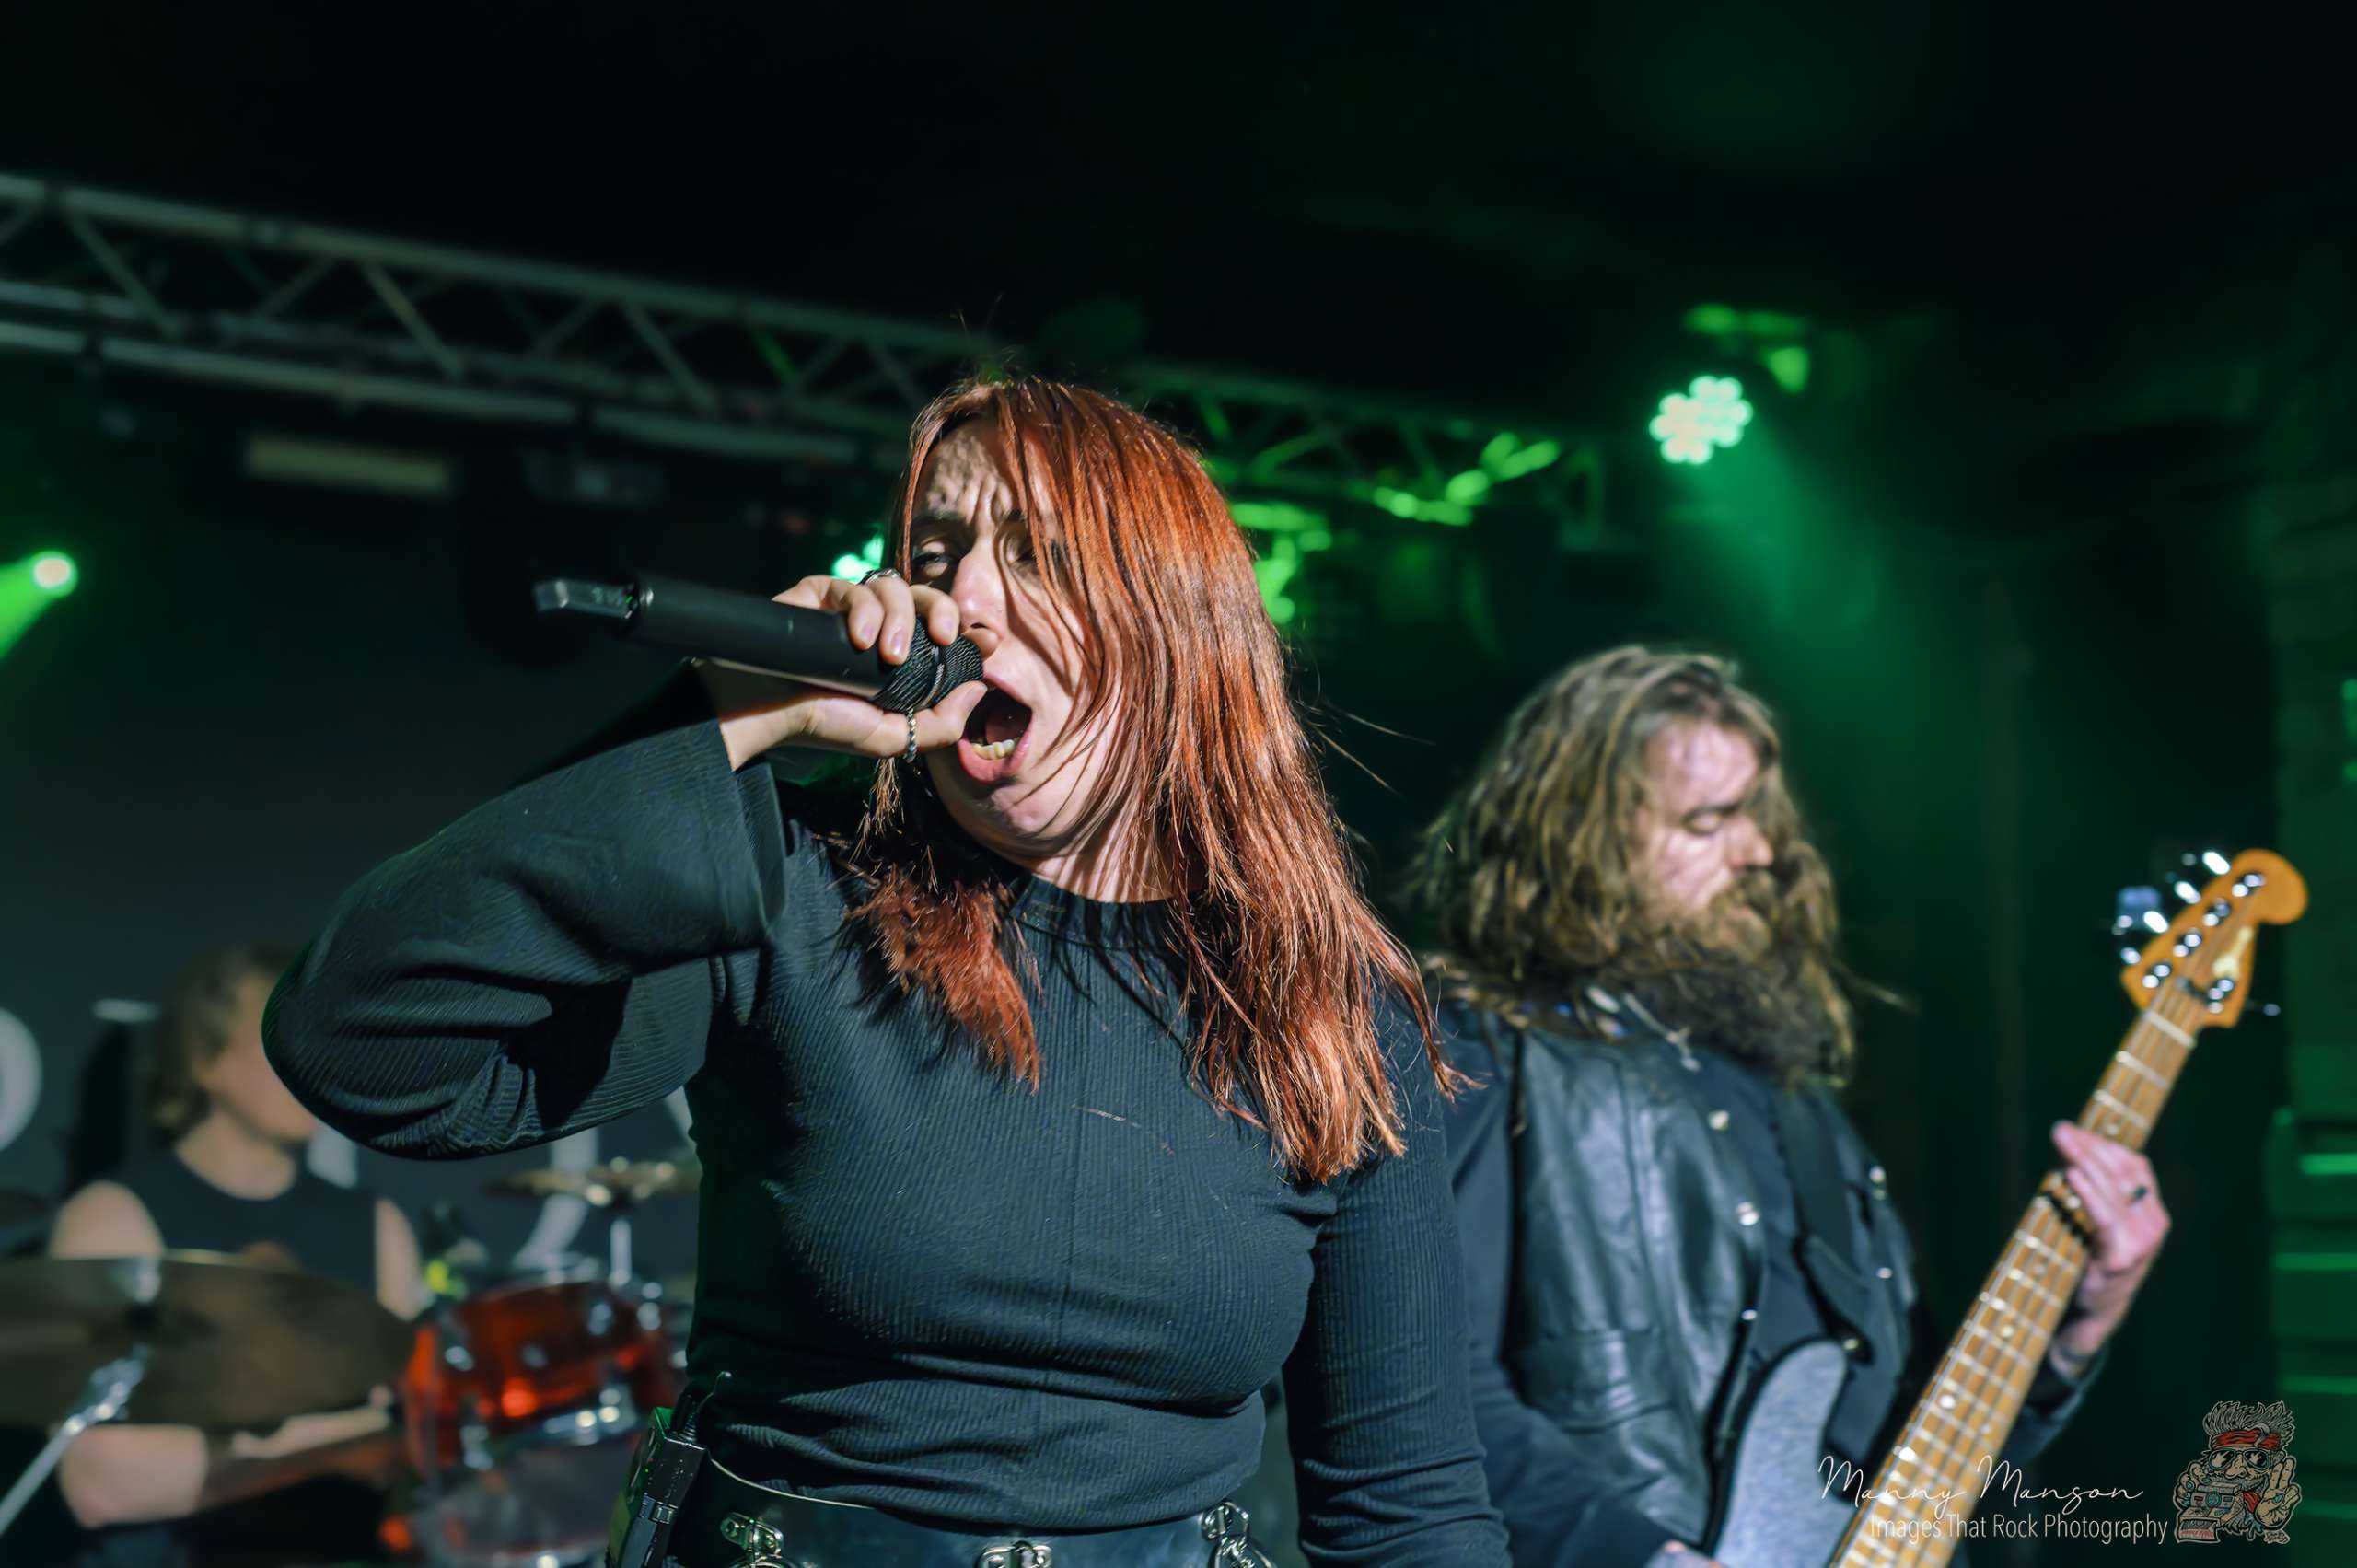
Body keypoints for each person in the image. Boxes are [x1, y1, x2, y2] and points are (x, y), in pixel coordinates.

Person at [263, 377, 1508, 1566]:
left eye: (1035, 554)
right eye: (934, 553)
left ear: (1177, 626)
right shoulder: (800, 892)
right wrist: (727, 718)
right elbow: (364, 1045)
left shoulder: (1325, 1004)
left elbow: (1406, 1502)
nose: (962, 598)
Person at [1411, 647, 2171, 1568]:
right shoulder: (1493, 1050)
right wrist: (1637, 1555)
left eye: (1758, 815)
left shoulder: (1784, 1083)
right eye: (1709, 820)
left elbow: (1921, 1449)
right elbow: (1428, 1388)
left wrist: (2076, 1329)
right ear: (1577, 842)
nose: (1760, 851)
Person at [48, 941, 423, 1567]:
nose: (314, 1063)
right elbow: (100, 1482)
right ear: (203, 1058)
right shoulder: (111, 1217)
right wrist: (348, 1446)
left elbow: (411, 1436)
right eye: (282, 1040)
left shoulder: (378, 1225)